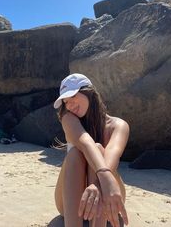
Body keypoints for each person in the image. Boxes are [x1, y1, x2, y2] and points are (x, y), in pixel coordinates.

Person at [53, 73, 130, 227]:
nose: (69, 105)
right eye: (66, 102)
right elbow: (85, 143)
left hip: (108, 193)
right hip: (70, 201)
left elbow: (112, 156)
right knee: (77, 152)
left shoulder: (118, 125)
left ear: (89, 92)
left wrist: (97, 185)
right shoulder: (68, 119)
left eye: (73, 96)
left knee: (100, 149)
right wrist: (103, 176)